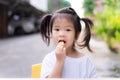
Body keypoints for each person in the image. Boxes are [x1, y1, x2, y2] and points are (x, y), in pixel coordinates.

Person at [39, 7, 97, 78]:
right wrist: (59, 61)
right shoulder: (49, 59)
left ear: (76, 35)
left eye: (68, 30)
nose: (61, 34)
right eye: (57, 29)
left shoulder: (86, 62)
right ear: (51, 33)